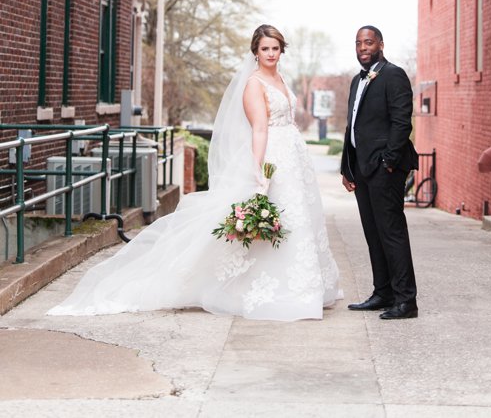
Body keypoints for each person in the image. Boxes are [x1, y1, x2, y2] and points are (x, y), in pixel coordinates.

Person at [48, 25, 342, 321]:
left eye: (275, 48)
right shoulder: (254, 84)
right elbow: (260, 129)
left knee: (297, 219)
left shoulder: (279, 78)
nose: (270, 54)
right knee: (272, 219)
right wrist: (258, 169)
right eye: (265, 48)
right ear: (255, 51)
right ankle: (255, 288)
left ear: (281, 50)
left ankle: (301, 285)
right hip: (273, 158)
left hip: (294, 159)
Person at [340, 26, 419, 320]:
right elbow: (353, 128)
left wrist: (388, 161)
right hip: (361, 170)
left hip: (386, 169)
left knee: (392, 233)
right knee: (373, 234)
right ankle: (383, 292)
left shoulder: (393, 75)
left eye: (368, 42)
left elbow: (402, 121)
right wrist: (347, 167)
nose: (363, 46)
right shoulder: (355, 81)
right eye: (359, 42)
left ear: (381, 45)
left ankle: (406, 300)